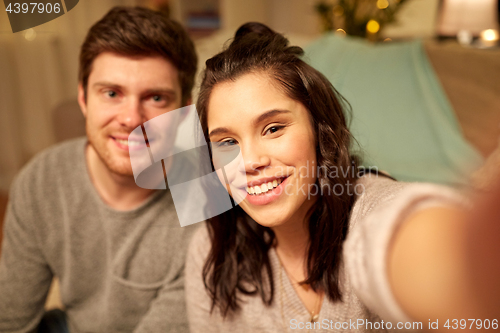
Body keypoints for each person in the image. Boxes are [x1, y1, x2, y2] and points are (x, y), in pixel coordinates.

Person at [185, 22, 500, 332]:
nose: (250, 162)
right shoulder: (213, 247)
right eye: (227, 143)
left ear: (320, 131)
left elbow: (406, 234)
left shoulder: (369, 211)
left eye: (274, 129)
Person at [0, 6, 198, 333]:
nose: (132, 119)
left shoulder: (207, 201)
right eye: (111, 93)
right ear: (83, 97)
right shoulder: (41, 180)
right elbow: (12, 322)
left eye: (157, 98)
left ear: (184, 110)